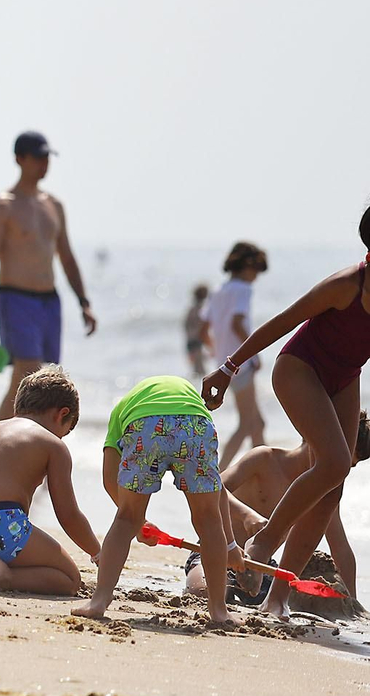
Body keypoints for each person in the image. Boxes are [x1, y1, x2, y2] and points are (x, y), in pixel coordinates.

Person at [201, 208, 370, 618]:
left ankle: (277, 598)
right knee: (331, 462)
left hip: (345, 378)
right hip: (299, 370)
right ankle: (263, 542)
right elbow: (283, 322)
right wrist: (228, 368)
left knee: (333, 487)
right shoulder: (347, 285)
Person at [73, 375, 240, 625]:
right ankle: (219, 610)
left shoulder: (124, 406)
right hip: (196, 423)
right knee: (208, 520)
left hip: (144, 425)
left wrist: (137, 522)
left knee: (125, 518)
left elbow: (110, 479)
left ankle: (99, 600)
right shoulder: (190, 401)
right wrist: (230, 544)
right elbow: (219, 493)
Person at [0, 131, 97, 423]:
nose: (44, 164)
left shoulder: (54, 205)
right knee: (25, 372)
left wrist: (84, 302)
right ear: (20, 159)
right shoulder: (4, 206)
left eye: (47, 158)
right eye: (38, 157)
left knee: (48, 377)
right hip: (15, 297)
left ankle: (32, 445)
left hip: (49, 301)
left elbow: (66, 256)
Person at [0, 365, 99, 594]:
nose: (61, 438)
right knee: (69, 578)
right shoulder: (53, 444)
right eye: (65, 431)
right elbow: (68, 514)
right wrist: (97, 552)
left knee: (9, 541)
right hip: (0, 527)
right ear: (62, 414)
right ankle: (4, 576)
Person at [186, 413, 368, 604]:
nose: (334, 470)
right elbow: (213, 487)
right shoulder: (264, 459)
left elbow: (341, 549)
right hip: (216, 550)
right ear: (314, 437)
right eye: (334, 460)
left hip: (262, 569)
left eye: (345, 467)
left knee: (306, 606)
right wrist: (246, 515)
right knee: (204, 594)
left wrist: (352, 602)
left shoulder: (323, 493)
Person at [202, 243, 268, 460]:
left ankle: (265, 476)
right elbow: (237, 323)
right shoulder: (243, 289)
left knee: (257, 424)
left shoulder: (218, 291)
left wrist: (218, 352)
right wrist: (254, 354)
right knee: (248, 424)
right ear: (248, 266)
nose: (256, 277)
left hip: (223, 364)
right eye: (257, 271)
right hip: (239, 364)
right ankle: (219, 475)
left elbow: (204, 330)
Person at [186, 284, 212, 379]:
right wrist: (211, 346)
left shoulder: (191, 309)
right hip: (197, 342)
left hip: (191, 342)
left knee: (197, 370)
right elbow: (203, 331)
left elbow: (186, 328)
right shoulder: (201, 310)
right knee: (200, 371)